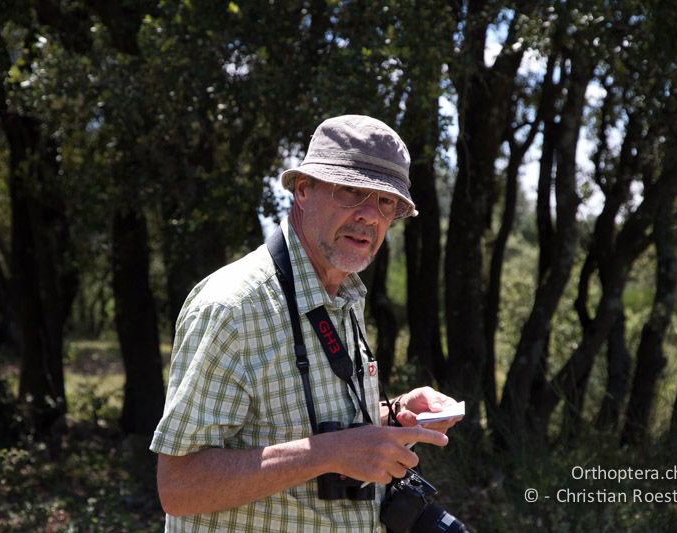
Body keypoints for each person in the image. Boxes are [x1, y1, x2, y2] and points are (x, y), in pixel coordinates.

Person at [150, 115, 461, 531]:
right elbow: (179, 486)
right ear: (303, 190)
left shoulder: (344, 294)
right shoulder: (233, 307)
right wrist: (328, 453)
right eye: (351, 191)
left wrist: (396, 414)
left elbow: (307, 426)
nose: (370, 215)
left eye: (386, 202)